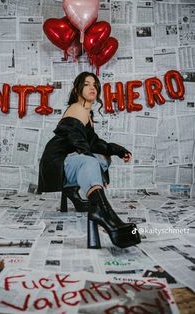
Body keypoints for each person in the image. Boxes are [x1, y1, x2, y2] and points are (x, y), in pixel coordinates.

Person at [38, 71, 141, 249]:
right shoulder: (77, 108)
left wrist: (117, 150)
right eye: (87, 84)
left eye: (95, 84)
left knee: (102, 159)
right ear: (78, 89)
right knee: (91, 162)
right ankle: (103, 213)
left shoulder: (87, 113)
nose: (92, 87)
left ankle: (79, 195)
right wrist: (96, 171)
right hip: (56, 162)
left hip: (68, 162)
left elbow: (95, 144)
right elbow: (75, 139)